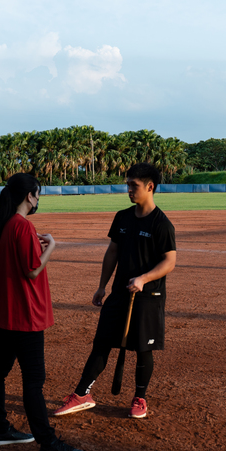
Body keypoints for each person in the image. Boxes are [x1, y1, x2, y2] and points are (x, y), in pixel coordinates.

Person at [52, 162, 176, 420]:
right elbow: (113, 252)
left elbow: (169, 261)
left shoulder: (162, 224)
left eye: (134, 185)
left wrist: (143, 278)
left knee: (143, 349)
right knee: (102, 343)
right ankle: (82, 394)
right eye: (128, 184)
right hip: (119, 293)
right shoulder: (122, 217)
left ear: (150, 187)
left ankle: (140, 397)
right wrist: (102, 286)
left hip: (147, 296)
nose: (128, 189)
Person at [0, 173, 85, 451]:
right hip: (25, 315)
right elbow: (32, 270)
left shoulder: (1, 227)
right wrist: (51, 245)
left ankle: (1, 429)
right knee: (33, 380)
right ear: (29, 196)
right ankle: (48, 443)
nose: (38, 199)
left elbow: (16, 264)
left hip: (5, 314)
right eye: (37, 194)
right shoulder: (23, 226)